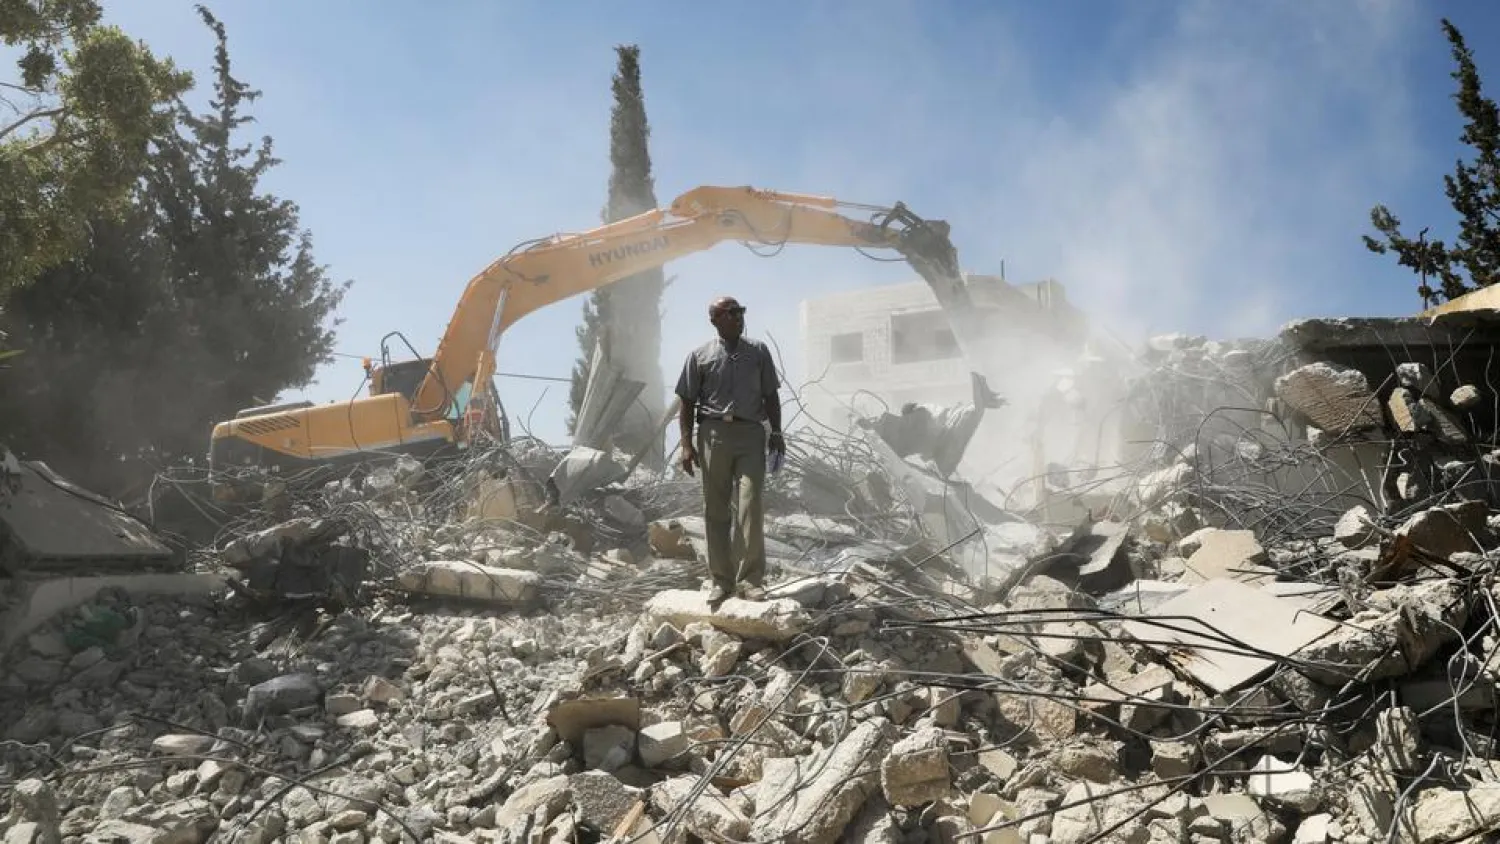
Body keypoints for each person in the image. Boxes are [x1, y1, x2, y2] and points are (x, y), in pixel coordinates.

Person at [674, 296, 785, 604]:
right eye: (732, 313)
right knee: (716, 510)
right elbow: (686, 403)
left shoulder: (758, 352)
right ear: (716, 319)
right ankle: (721, 581)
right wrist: (686, 445)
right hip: (713, 435)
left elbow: (771, 395)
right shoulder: (699, 356)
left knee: (751, 503)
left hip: (750, 433)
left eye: (741, 312)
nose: (739, 317)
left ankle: (750, 580)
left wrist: (776, 432)